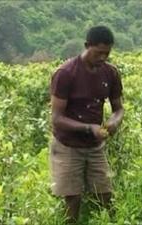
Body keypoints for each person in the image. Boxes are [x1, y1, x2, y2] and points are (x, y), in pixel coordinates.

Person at [49, 25, 124, 223]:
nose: (102, 58)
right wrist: (88, 128)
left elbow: (118, 109)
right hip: (67, 145)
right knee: (72, 200)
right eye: (98, 53)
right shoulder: (66, 73)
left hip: (95, 146)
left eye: (106, 54)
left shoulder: (111, 73)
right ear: (86, 46)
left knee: (106, 195)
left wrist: (114, 122)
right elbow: (56, 118)